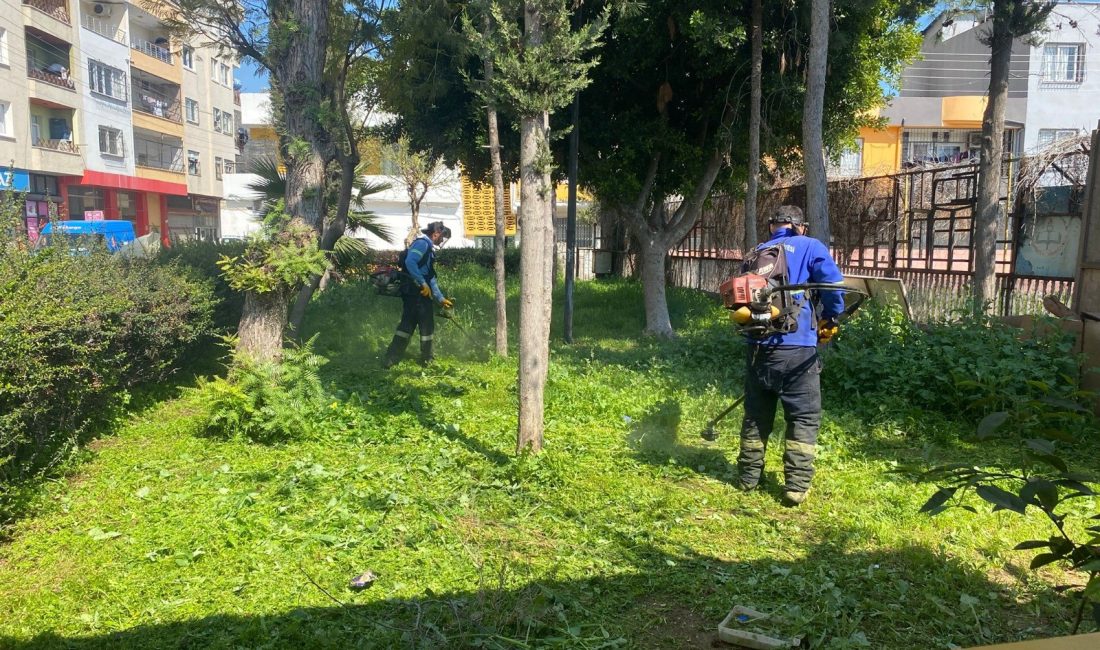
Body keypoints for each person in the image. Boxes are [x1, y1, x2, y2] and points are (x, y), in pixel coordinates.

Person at [736, 205, 844, 507]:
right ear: (801, 226)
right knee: (803, 417)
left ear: (773, 226)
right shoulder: (810, 246)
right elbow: (833, 288)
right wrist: (831, 317)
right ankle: (795, 487)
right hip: (798, 350)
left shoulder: (756, 253)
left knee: (756, 415)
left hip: (758, 348)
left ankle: (747, 477)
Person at [382, 221, 454, 368]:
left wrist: (440, 298)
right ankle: (426, 359)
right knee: (423, 326)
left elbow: (430, 277)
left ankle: (392, 358)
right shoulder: (422, 244)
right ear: (436, 234)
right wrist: (422, 283)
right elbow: (410, 262)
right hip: (415, 292)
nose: (442, 240)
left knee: (409, 324)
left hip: (419, 293)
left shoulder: (428, 248)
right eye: (442, 237)